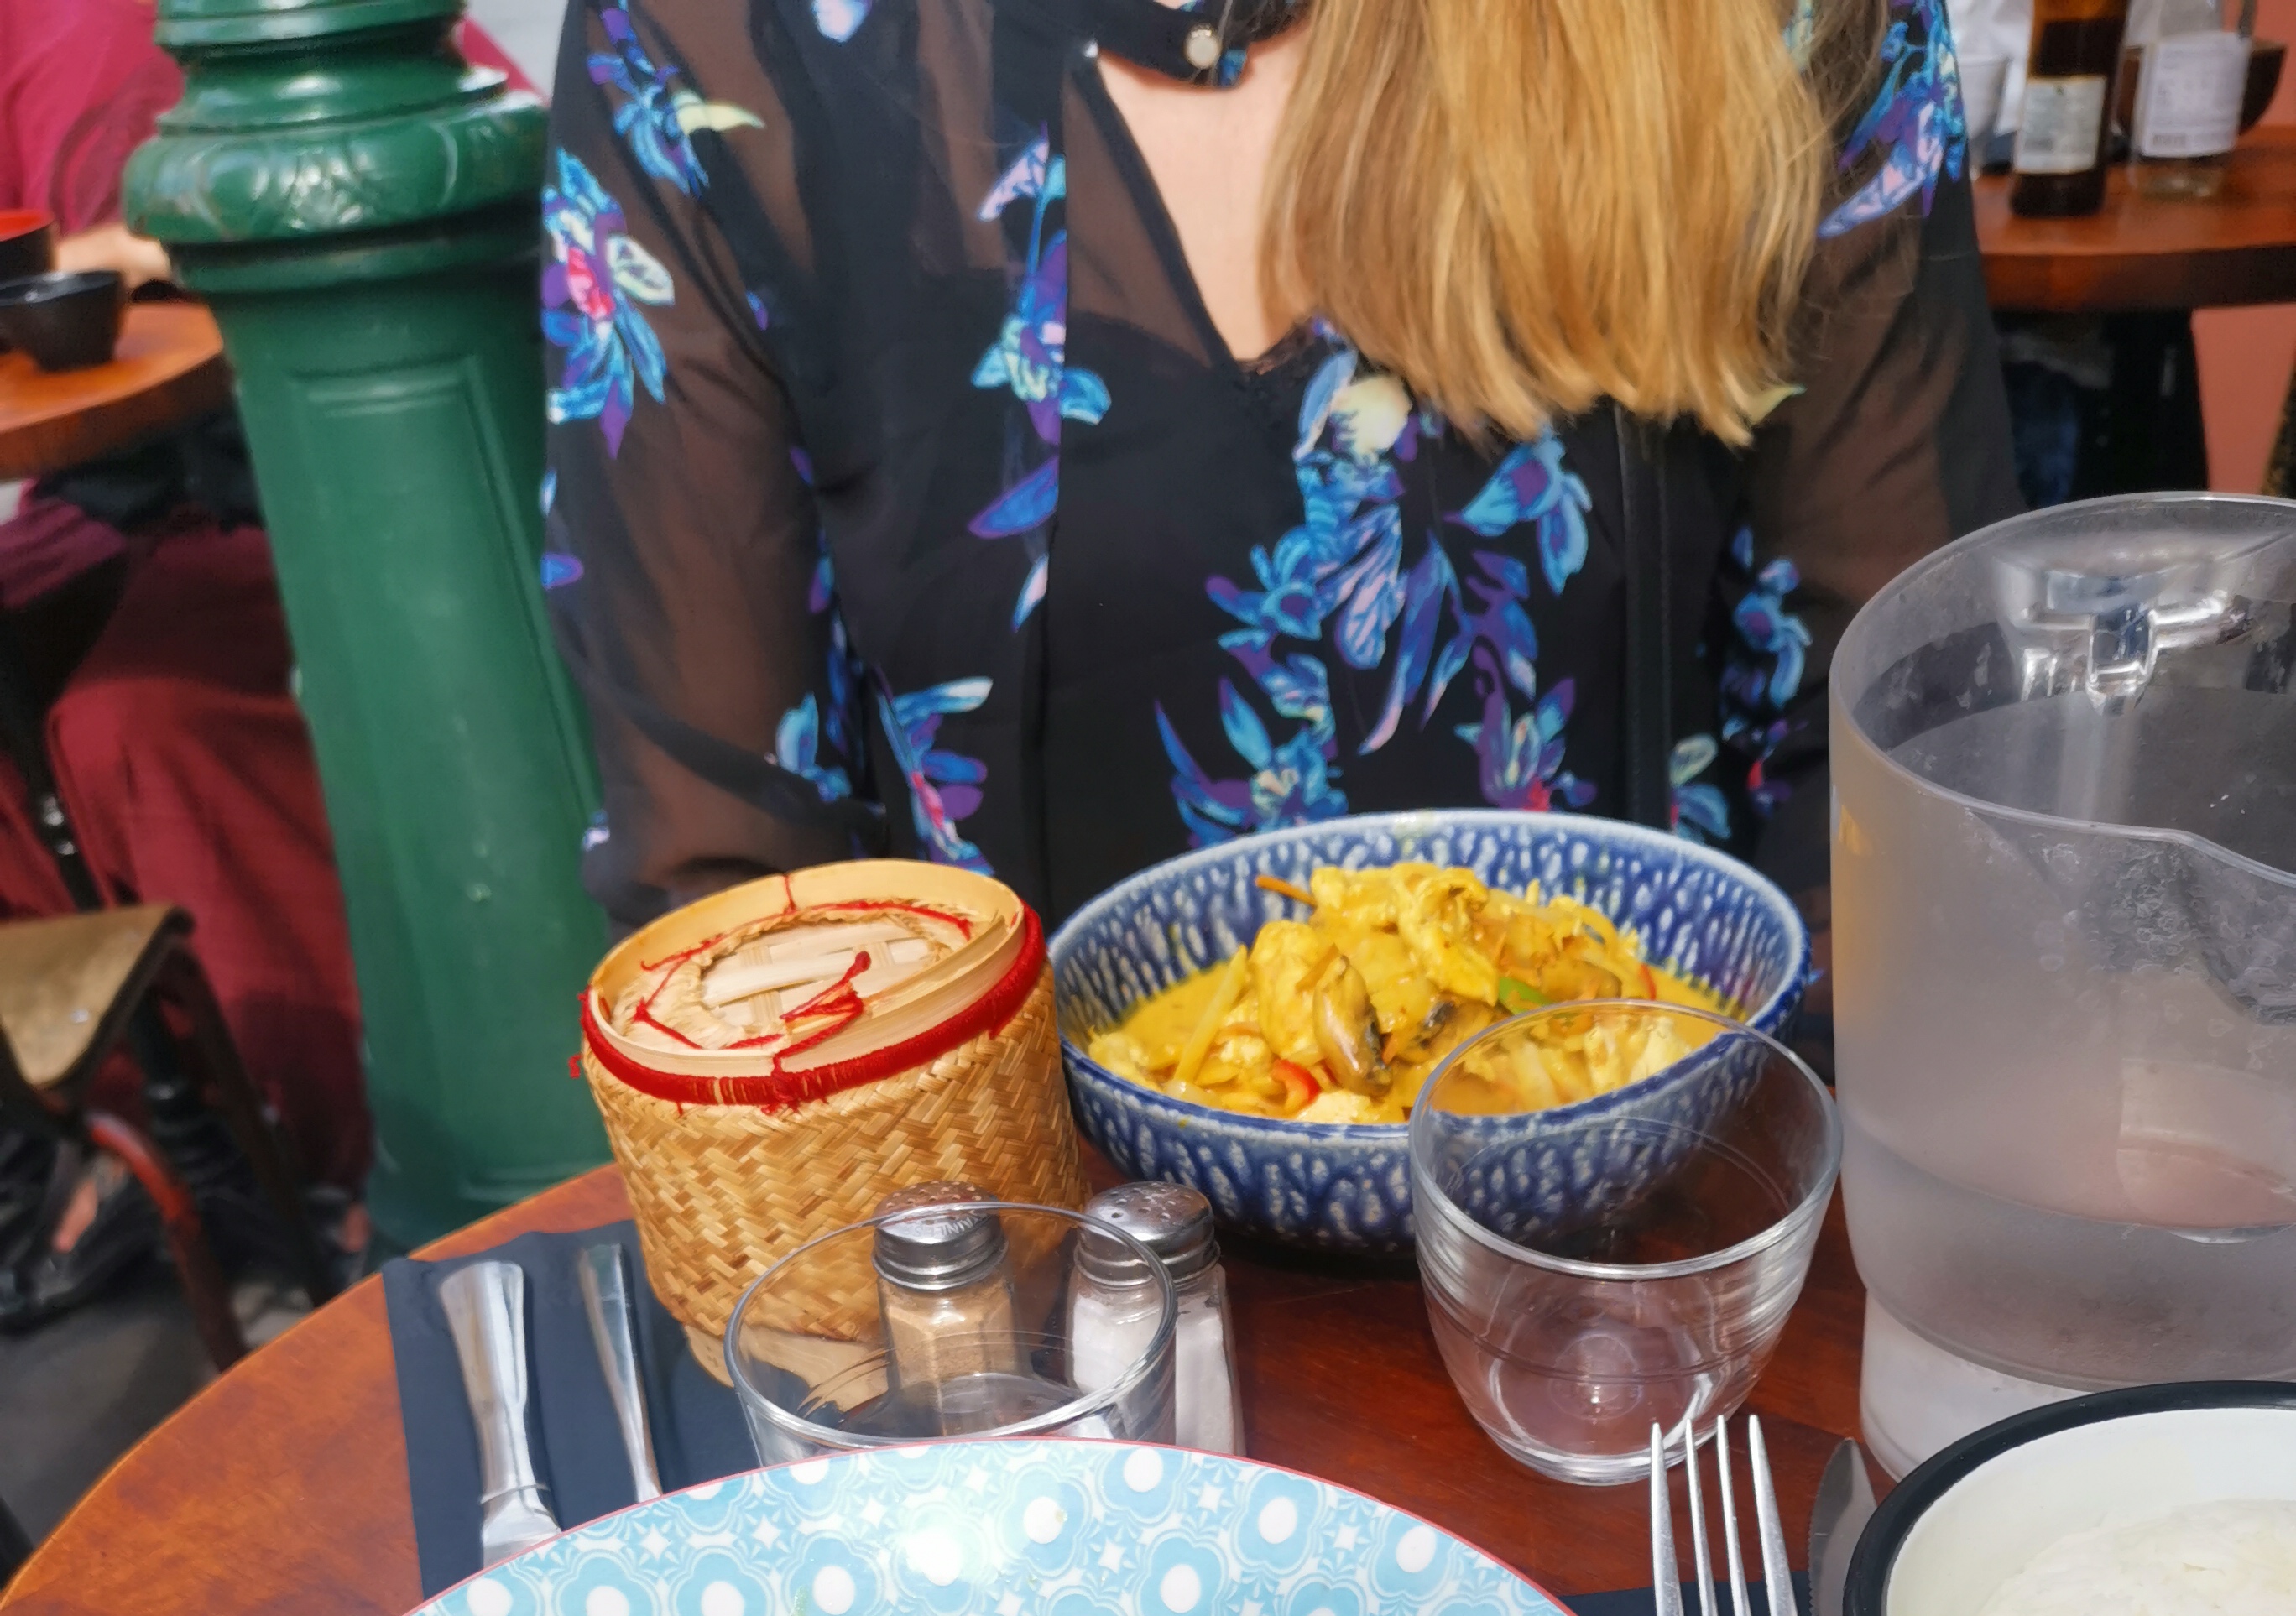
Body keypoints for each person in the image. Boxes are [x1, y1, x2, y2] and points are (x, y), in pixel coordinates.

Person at [540, 0, 2018, 1025]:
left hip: (1651, 1275)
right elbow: (728, 903)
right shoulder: (717, 46)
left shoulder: (1781, 27)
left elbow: (1908, 760)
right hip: (1033, 1317)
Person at [0, 0, 372, 1325]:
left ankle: (319, 1149)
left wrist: (136, 247)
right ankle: (129, 1134)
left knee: (137, 723)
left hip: (297, 447)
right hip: (101, 475)